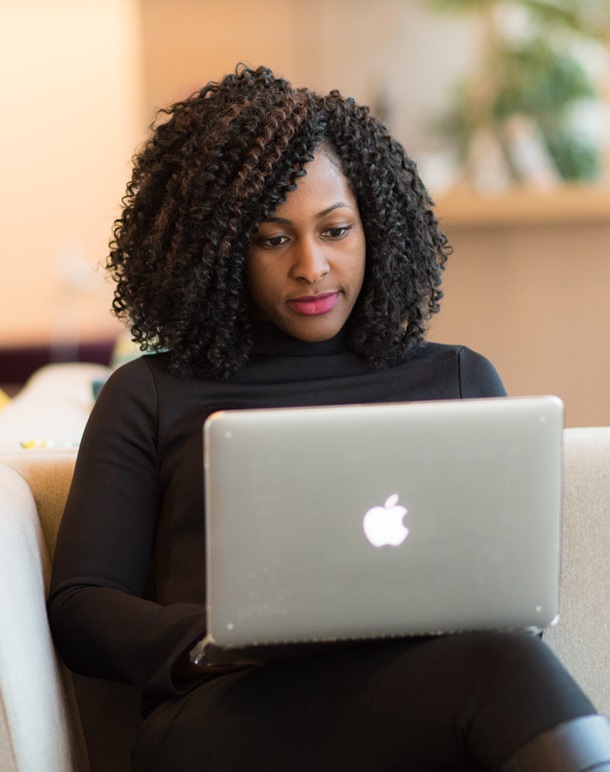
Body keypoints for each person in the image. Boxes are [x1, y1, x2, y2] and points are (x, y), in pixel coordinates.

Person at [48, 65, 610, 771]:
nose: (312, 266)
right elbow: (81, 606)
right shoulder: (151, 393)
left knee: (503, 663)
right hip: (227, 718)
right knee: (504, 675)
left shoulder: (459, 378)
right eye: (273, 238)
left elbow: (501, 589)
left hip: (427, 703)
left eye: (335, 229)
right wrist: (218, 639)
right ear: (218, 250)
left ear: (375, 225)